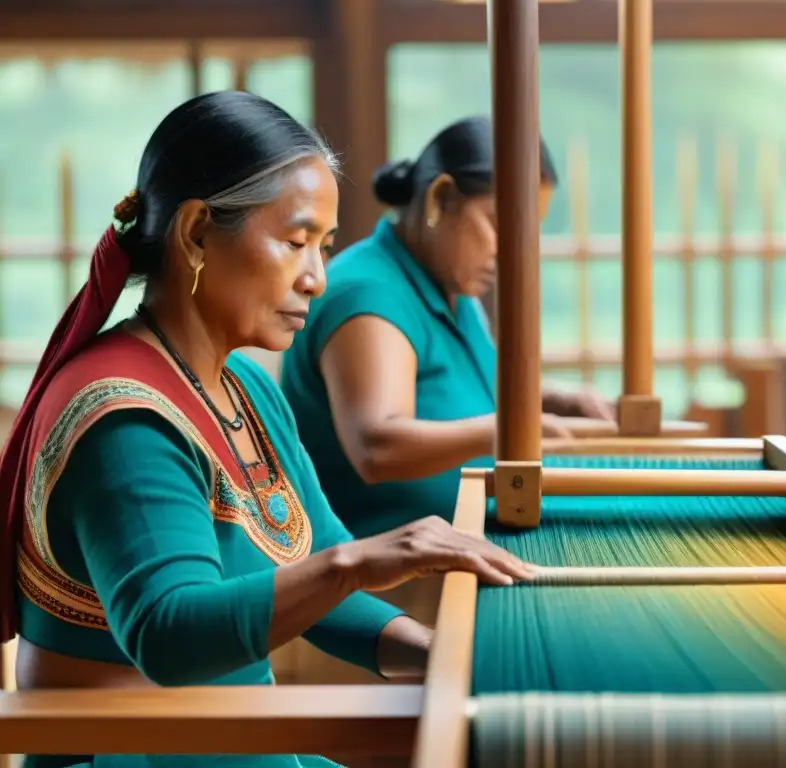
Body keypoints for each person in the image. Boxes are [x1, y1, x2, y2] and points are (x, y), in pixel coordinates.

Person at [0, 91, 533, 768]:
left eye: (325, 246)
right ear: (196, 232)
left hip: (237, 743)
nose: (316, 277)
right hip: (138, 755)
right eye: (295, 241)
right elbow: (168, 634)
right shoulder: (124, 418)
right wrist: (356, 563)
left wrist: (437, 653)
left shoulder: (243, 383)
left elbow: (318, 557)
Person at [280, 117, 614, 547]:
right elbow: (378, 446)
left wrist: (552, 397)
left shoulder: (452, 289)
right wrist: (510, 428)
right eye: (499, 223)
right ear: (440, 198)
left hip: (461, 547)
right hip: (386, 582)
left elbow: (463, 392)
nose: (516, 250)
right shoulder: (369, 294)